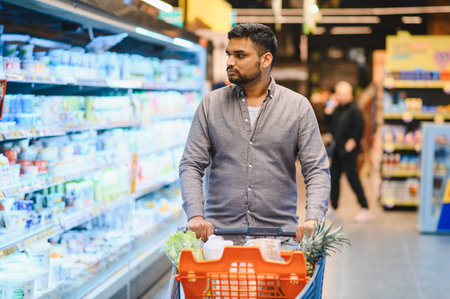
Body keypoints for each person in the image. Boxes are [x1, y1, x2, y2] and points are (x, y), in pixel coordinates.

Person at [179, 23, 330, 245]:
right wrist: (196, 214)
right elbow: (191, 164)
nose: (230, 62)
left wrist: (313, 218)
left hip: (279, 242)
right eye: (229, 54)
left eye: (240, 55)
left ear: (265, 60)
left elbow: (316, 169)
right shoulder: (211, 105)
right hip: (220, 242)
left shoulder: (297, 107)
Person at [322, 81, 373, 222]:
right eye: (339, 94)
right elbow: (325, 120)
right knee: (334, 178)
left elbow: (360, 128)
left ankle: (365, 208)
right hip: (337, 150)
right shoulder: (337, 108)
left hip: (349, 151)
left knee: (353, 179)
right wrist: (330, 106)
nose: (341, 96)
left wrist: (353, 141)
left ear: (349, 94)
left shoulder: (355, 110)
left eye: (343, 94)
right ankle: (334, 208)